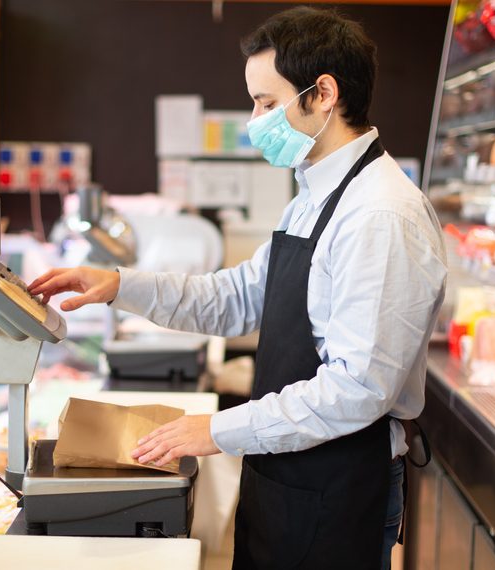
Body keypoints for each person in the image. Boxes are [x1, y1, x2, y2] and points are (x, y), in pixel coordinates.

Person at [28, 7, 447, 569]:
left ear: (323, 94)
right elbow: (236, 299)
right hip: (289, 470)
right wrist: (119, 285)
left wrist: (218, 429)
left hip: (340, 483)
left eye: (267, 103)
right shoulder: (313, 196)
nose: (254, 120)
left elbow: (358, 387)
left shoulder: (380, 214)